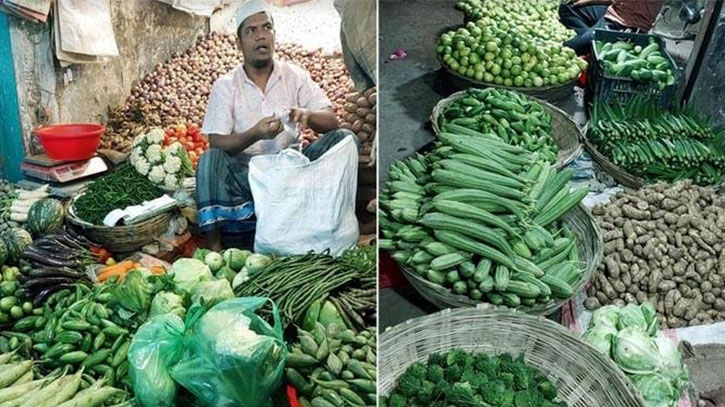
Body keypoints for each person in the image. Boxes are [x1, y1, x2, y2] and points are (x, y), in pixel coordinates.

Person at [196, 0, 357, 251]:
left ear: (274, 34)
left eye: (266, 27)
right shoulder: (226, 86)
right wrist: (255, 133)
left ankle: (334, 221)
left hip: (292, 174)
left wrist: (307, 114)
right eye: (251, 31)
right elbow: (216, 141)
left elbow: (332, 121)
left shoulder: (294, 76)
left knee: (345, 138)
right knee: (209, 159)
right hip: (246, 178)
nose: (261, 36)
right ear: (239, 43)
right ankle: (215, 245)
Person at [559, 0, 664, 55]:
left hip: (626, 25)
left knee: (569, 48)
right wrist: (586, 1)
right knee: (567, 8)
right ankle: (591, 44)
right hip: (612, 12)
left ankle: (589, 43)